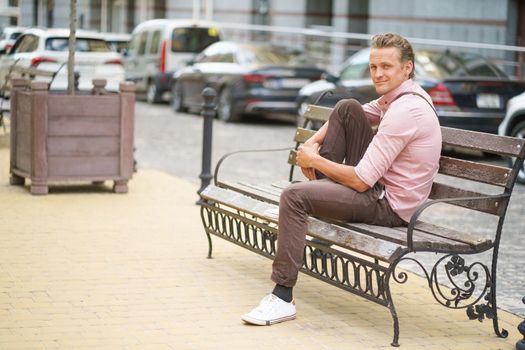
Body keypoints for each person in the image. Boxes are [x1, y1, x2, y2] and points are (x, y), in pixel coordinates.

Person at [241, 32, 442, 326]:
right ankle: (315, 199)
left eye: (386, 66)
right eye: (374, 67)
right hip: (377, 188)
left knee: (293, 198)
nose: (378, 73)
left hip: (389, 206)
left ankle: (282, 298)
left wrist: (315, 161)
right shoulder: (397, 97)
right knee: (346, 106)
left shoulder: (406, 110)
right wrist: (310, 144)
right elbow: (353, 113)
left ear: (407, 67)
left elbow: (361, 181)